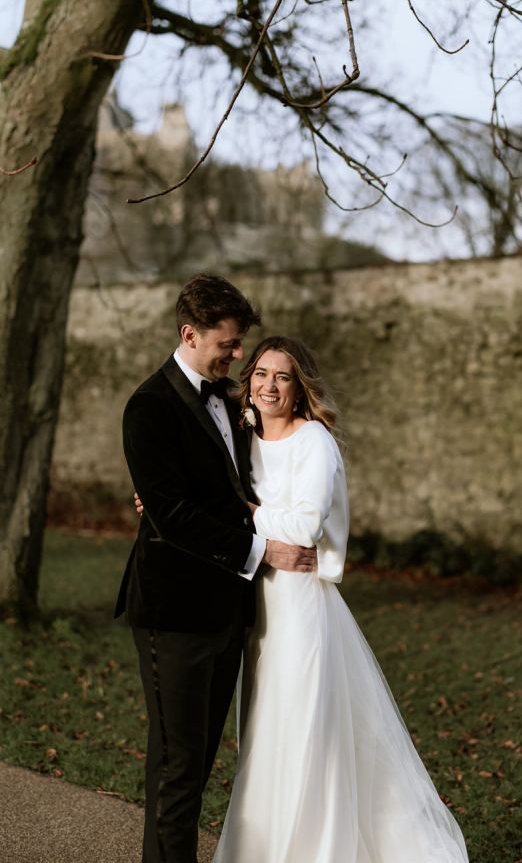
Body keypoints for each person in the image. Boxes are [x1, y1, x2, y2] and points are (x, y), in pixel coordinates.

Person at [213, 334, 469, 863]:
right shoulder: (241, 436)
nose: (269, 386)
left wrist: (244, 511)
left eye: (282, 376)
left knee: (306, 730)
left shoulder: (315, 442)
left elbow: (306, 526)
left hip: (300, 606)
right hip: (253, 602)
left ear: (299, 386)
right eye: (261, 373)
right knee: (262, 735)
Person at [116, 275, 316, 863]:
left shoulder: (232, 403)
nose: (238, 356)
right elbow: (173, 517)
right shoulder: (147, 407)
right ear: (190, 333)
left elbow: (236, 490)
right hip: (173, 613)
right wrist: (263, 553)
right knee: (177, 772)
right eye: (229, 345)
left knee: (198, 765)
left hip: (227, 612)